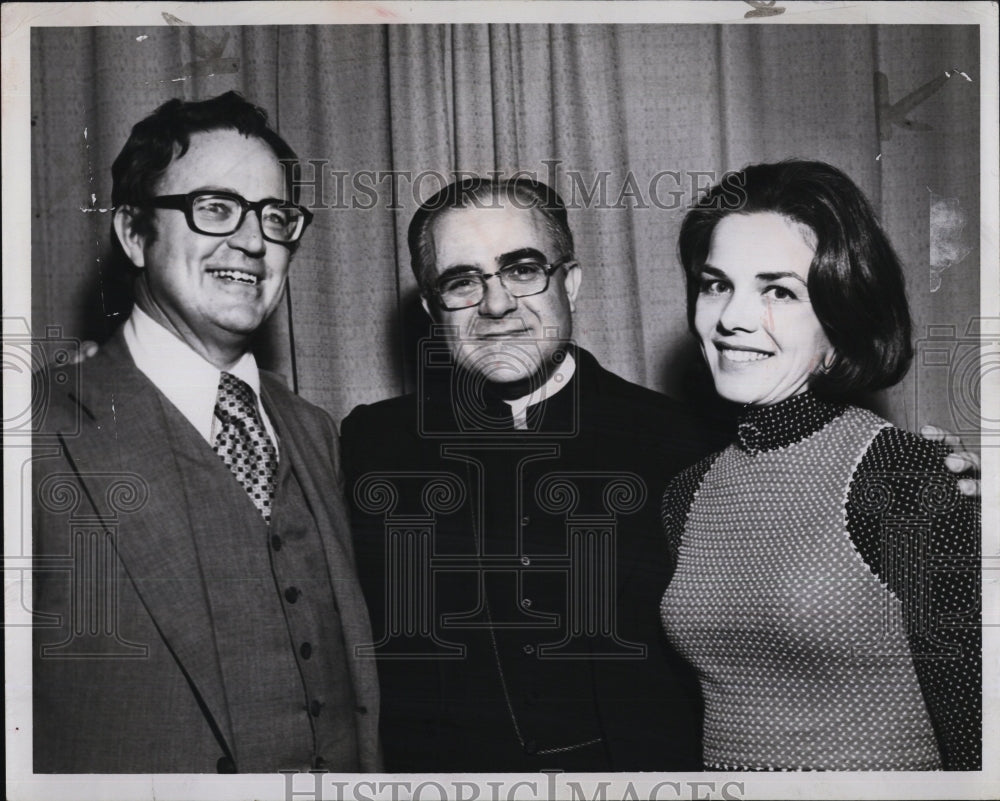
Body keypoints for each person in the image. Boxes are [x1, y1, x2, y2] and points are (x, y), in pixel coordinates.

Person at [32, 92, 380, 773]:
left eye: (274, 217)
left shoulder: (318, 434)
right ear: (134, 232)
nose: (252, 242)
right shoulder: (34, 430)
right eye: (215, 208)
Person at [340, 177, 731, 771]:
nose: (496, 305)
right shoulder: (373, 446)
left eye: (522, 270)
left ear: (569, 283)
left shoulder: (683, 443)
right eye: (462, 281)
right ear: (432, 310)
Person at [659, 160, 981, 770]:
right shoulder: (687, 494)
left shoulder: (906, 478)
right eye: (716, 284)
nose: (731, 318)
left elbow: (977, 731)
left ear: (840, 321)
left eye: (778, 291)